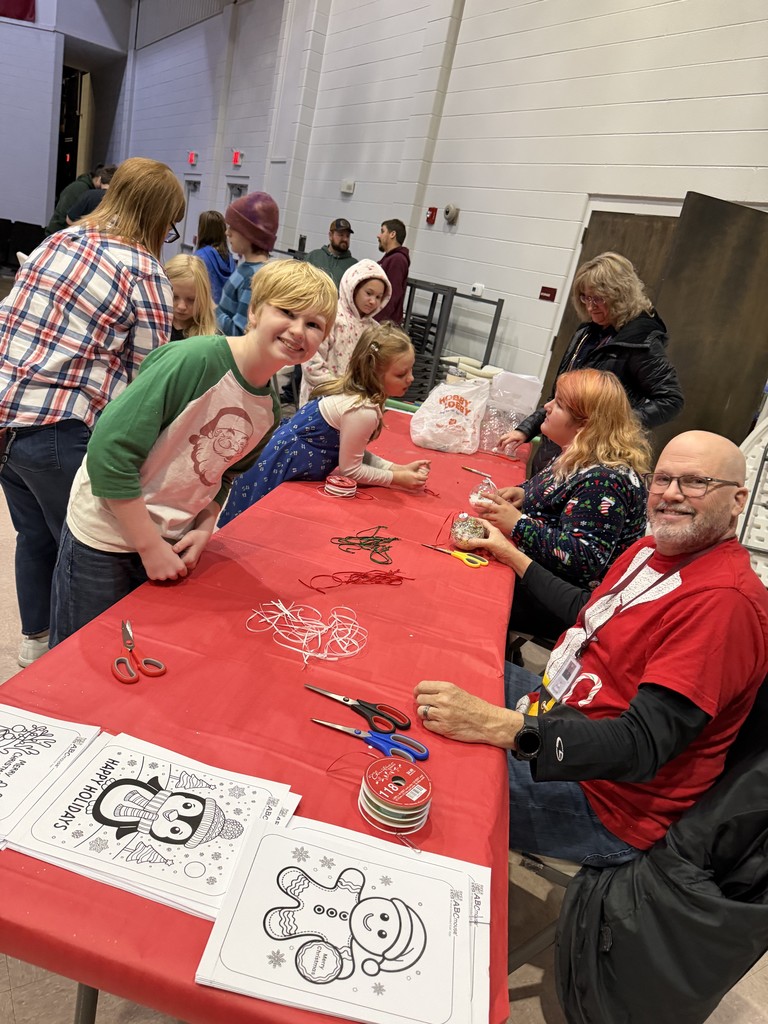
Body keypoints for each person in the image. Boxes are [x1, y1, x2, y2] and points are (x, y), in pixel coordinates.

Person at [415, 430, 768, 867]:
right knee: (434, 665)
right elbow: (590, 612)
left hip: (603, 801)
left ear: (738, 500)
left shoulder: (724, 603)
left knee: (422, 778)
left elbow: (636, 746)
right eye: (663, 480)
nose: (671, 495)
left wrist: (499, 726)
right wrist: (508, 553)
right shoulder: (651, 549)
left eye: (695, 482)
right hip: (558, 706)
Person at [49, 260, 338, 646]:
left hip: (170, 541)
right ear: (254, 311)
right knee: (77, 657)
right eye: (286, 312)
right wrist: (148, 545)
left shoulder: (268, 410)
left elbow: (225, 475)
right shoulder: (194, 360)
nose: (298, 330)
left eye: (314, 324)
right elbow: (109, 453)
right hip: (106, 538)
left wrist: (204, 526)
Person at [0, 156, 185, 668]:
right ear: (161, 217)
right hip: (61, 429)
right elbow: (149, 382)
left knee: (34, 537)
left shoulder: (57, 242)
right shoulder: (144, 271)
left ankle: (35, 646)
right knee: (85, 556)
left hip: (8, 424)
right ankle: (67, 671)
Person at [477, 369, 650, 641]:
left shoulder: (604, 480)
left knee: (475, 590)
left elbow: (584, 558)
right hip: (542, 578)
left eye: (558, 404)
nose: (546, 406)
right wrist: (523, 494)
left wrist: (519, 525)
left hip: (562, 600)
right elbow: (556, 495)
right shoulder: (579, 456)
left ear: (583, 425)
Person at [218, 322, 430, 525]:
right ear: (374, 373)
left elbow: (349, 450)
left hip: (281, 458)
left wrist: (397, 468)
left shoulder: (360, 398)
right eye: (401, 374)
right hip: (280, 467)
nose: (410, 379)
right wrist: (396, 479)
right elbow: (351, 470)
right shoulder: (362, 410)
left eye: (411, 370)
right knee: (253, 529)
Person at [501, 252, 683, 474]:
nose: (590, 306)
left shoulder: (641, 343)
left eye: (598, 299)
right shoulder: (586, 333)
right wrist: (526, 429)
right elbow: (559, 399)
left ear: (620, 295)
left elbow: (671, 399)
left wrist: (612, 423)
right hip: (556, 452)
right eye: (585, 298)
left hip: (590, 457)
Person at [299, 259, 391, 406]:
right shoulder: (330, 316)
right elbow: (311, 362)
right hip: (320, 404)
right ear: (353, 288)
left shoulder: (375, 330)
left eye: (379, 297)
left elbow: (375, 371)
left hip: (354, 404)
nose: (373, 301)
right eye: (369, 293)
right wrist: (339, 390)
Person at [216, 191, 279, 336]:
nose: (227, 233)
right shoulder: (249, 269)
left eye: (232, 227)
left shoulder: (253, 277)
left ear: (249, 234)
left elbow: (239, 332)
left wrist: (211, 308)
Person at [165, 254, 219, 340]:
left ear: (204, 299)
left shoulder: (211, 339)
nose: (181, 307)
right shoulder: (154, 325)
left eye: (191, 300)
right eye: (174, 297)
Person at [45, 163, 108, 235]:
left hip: (61, 231)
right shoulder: (82, 190)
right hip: (60, 232)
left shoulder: (83, 187)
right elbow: (68, 218)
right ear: (99, 179)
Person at [194, 210, 236, 303]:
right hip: (222, 311)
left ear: (203, 230)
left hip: (205, 310)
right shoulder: (229, 258)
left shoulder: (199, 257)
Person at [374, 219, 410, 326]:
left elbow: (392, 295)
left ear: (392, 234)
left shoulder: (397, 260)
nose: (378, 236)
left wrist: (375, 322)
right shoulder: (389, 258)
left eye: (382, 231)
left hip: (384, 325)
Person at [305, 217, 357, 288]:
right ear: (330, 235)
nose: (345, 239)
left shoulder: (354, 266)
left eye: (347, 236)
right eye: (341, 235)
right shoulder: (313, 257)